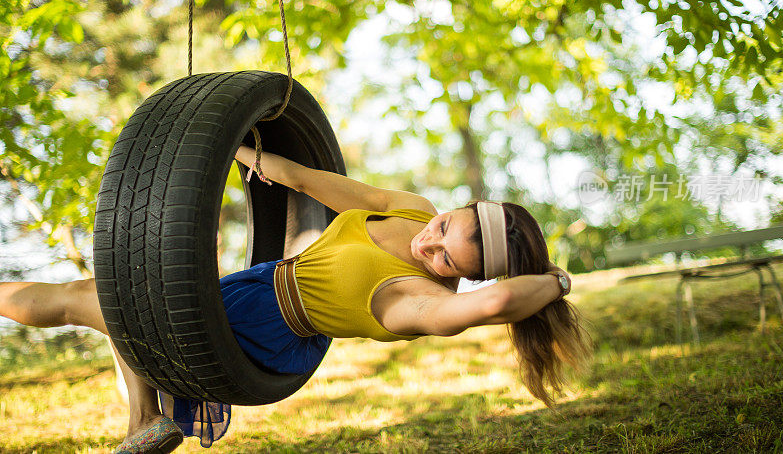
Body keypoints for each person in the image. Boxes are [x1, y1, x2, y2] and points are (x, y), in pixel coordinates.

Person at [0, 144, 593, 453]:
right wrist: (222, 144)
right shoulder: (415, 210)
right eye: (445, 229)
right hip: (259, 283)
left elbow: (490, 307)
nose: (428, 247)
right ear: (459, 207)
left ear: (470, 276)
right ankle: (149, 417)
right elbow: (317, 184)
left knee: (98, 299)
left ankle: (147, 418)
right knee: (115, 299)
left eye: (449, 262)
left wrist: (557, 282)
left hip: (272, 331)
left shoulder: (414, 299)